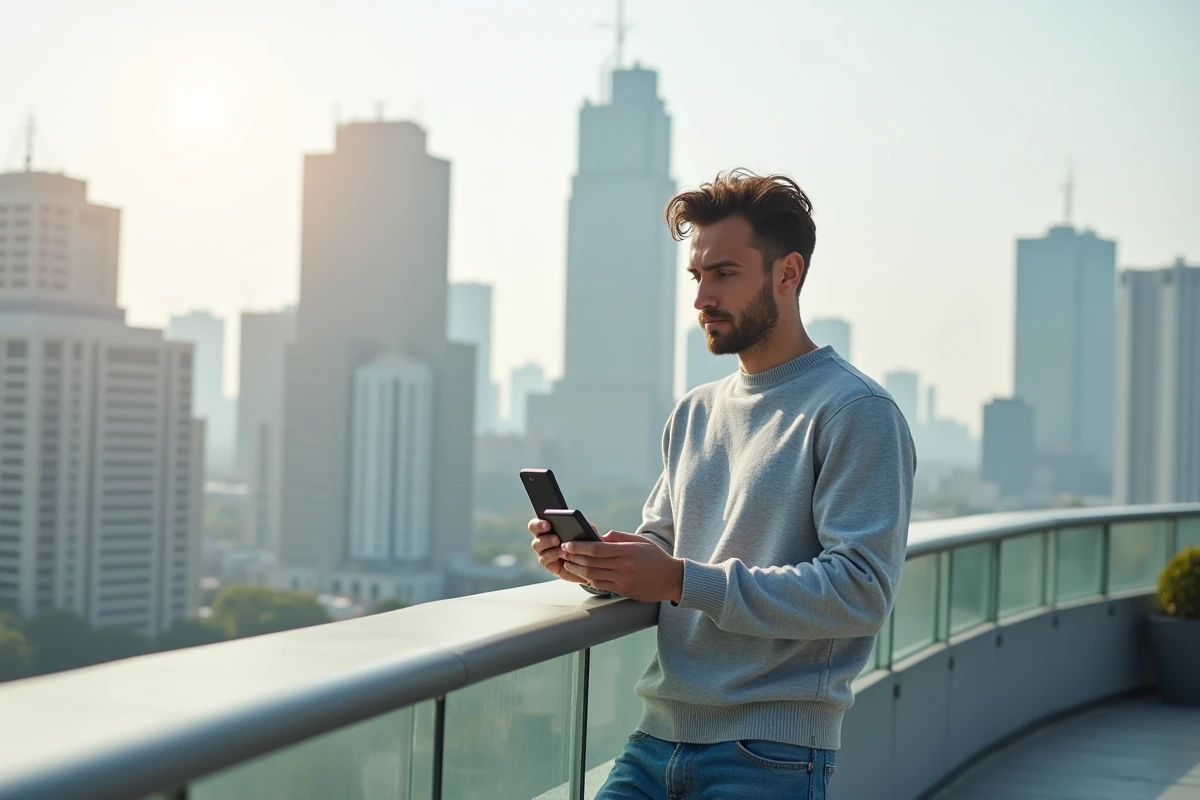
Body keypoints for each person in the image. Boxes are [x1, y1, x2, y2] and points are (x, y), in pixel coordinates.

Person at [529, 170, 916, 799]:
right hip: (656, 738)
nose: (702, 296)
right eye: (697, 276)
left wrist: (679, 579)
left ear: (787, 274)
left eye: (725, 274)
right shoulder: (695, 412)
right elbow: (662, 551)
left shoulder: (855, 410)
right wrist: (594, 562)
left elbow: (862, 591)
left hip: (770, 755)